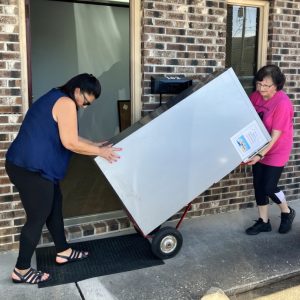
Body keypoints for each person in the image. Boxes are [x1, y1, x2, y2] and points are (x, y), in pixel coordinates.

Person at [5, 73, 121, 284]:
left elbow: (70, 136)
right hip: (30, 169)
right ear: (77, 90)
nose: (85, 107)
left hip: (30, 165)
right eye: (85, 101)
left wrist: (96, 145)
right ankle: (21, 269)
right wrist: (100, 152)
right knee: (37, 218)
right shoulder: (66, 102)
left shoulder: (56, 96)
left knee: (54, 206)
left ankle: (63, 251)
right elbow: (70, 143)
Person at [245, 65, 295, 235]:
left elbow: (275, 136)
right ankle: (263, 222)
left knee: (268, 187)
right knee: (258, 186)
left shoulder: (282, 103)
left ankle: (287, 212)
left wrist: (260, 154)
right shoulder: (255, 97)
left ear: (277, 85)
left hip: (277, 148)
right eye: (259, 84)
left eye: (266, 86)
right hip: (259, 146)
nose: (261, 89)